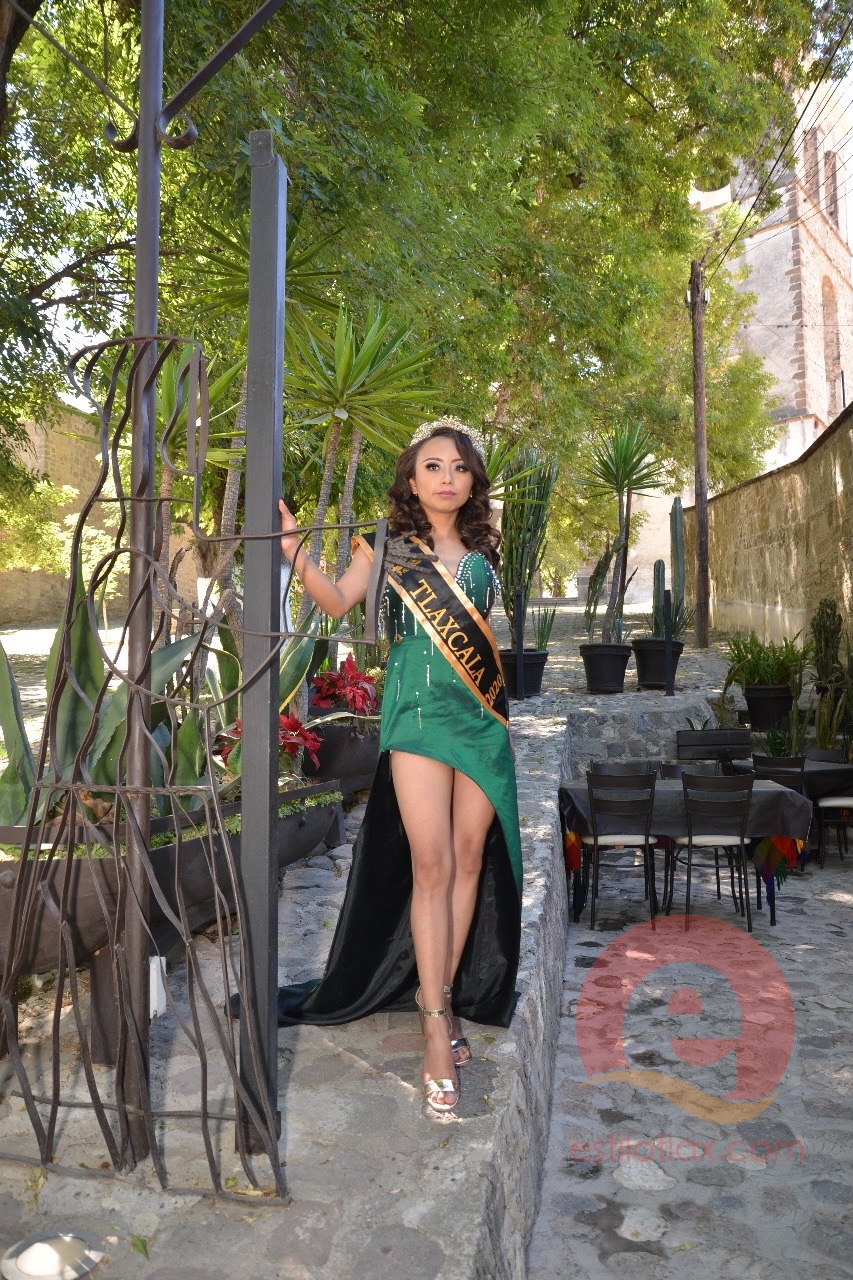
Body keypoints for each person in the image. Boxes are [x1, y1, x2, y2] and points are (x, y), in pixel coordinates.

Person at [275, 417, 522, 1114]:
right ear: (411, 479)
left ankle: (437, 990)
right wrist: (295, 553)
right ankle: (436, 1025)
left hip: (482, 716)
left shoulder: (483, 547)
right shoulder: (385, 546)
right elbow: (336, 601)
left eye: (459, 468)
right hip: (415, 713)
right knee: (432, 863)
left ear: (472, 482)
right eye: (433, 466)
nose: (447, 478)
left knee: (470, 858)